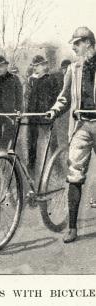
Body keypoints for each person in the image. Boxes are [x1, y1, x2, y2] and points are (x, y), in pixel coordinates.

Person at [47, 26, 96, 243]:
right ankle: (73, 228)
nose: (74, 48)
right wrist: (55, 110)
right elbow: (65, 97)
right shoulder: (74, 68)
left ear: (89, 44)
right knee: (75, 174)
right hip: (81, 126)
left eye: (77, 43)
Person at [26, 55, 60, 177]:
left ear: (45, 66)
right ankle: (32, 170)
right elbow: (28, 98)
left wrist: (51, 111)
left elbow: (56, 98)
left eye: (38, 65)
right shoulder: (31, 80)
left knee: (51, 143)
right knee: (31, 144)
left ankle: (57, 167)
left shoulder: (51, 79)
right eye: (34, 66)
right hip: (33, 117)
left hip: (46, 116)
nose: (35, 68)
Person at [0, 55, 23, 150]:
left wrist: (19, 110)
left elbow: (20, 98)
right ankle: (1, 160)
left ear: (6, 66)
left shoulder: (14, 79)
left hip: (10, 115)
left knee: (8, 141)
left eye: (1, 66)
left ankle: (9, 160)